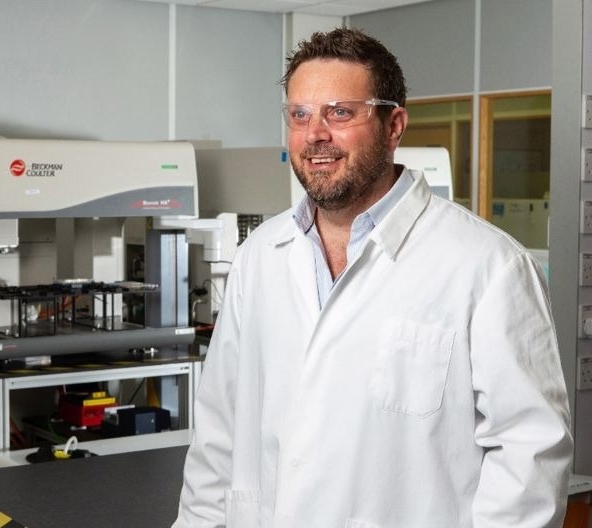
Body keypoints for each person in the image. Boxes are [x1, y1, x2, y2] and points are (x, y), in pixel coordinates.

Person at [173, 27, 573, 528]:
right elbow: (218, 434)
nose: (315, 134)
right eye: (300, 115)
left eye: (340, 112)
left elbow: (528, 461)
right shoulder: (259, 257)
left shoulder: (489, 266)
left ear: (394, 125)